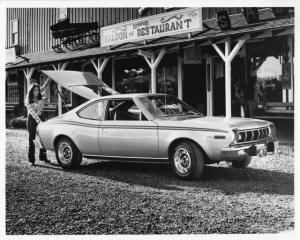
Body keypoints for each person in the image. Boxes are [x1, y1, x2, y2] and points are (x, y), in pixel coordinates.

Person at [25, 78, 51, 166]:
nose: (37, 92)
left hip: (41, 116)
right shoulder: (28, 100)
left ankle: (43, 157)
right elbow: (32, 113)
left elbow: (43, 88)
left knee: (42, 138)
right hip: (32, 120)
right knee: (32, 139)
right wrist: (39, 122)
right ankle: (31, 160)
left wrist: (48, 81)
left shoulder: (40, 97)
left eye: (38, 90)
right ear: (31, 91)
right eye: (35, 90)